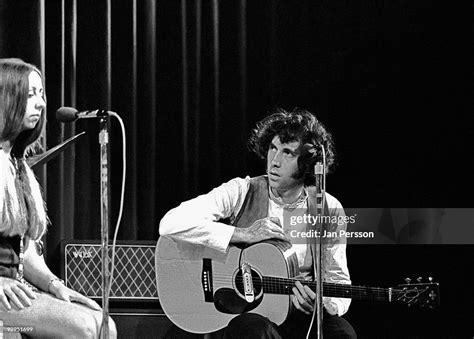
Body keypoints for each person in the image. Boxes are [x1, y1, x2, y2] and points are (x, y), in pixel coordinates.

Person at [159, 108, 356, 338]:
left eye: (288, 153)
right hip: (249, 314)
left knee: (343, 333)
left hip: (299, 317)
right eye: (273, 148)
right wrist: (242, 234)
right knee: (253, 329)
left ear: (307, 163)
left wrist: (323, 304)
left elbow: (339, 281)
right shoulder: (242, 190)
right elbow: (170, 223)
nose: (275, 161)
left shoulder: (327, 209)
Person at [0, 58, 117, 338]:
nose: (40, 104)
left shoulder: (17, 166)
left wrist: (55, 285)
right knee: (86, 328)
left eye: (41, 94)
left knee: (105, 326)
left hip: (15, 289)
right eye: (29, 95)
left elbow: (23, 249)